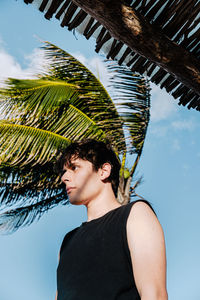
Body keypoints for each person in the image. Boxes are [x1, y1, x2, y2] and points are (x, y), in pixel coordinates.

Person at [55, 139, 168, 300]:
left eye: (74, 168)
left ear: (104, 171)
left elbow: (154, 294)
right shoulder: (68, 241)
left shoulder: (135, 214)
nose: (64, 177)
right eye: (64, 172)